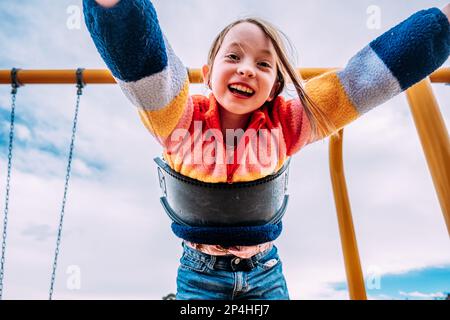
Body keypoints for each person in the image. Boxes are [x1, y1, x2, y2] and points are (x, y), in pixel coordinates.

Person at [83, 0, 450, 300]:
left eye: (263, 64)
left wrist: (442, 25)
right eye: (234, 57)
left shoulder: (286, 124)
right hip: (200, 273)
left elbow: (360, 82)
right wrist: (115, 8)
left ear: (275, 86)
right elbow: (148, 67)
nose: (247, 70)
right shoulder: (176, 118)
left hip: (265, 271)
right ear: (208, 72)